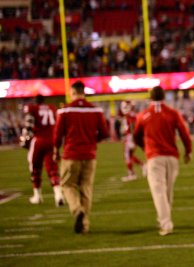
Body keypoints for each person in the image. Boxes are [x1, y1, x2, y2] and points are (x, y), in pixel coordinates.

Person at [134, 86, 192, 236]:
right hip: (172, 157)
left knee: (159, 191)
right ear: (164, 97)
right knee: (167, 192)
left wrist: (144, 147)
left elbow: (136, 136)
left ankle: (166, 224)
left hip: (155, 157)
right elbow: (184, 133)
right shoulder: (173, 113)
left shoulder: (143, 114)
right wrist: (188, 151)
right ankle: (164, 219)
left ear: (150, 97)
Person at [53, 81, 110, 234]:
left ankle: (77, 211)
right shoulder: (95, 110)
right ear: (84, 92)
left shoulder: (65, 110)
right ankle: (84, 224)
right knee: (86, 188)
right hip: (90, 155)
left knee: (67, 185)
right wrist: (91, 141)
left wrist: (55, 150)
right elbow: (104, 133)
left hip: (71, 154)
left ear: (73, 92)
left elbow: (58, 135)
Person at [22, 94, 64, 206]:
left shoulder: (33, 108)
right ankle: (58, 195)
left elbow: (29, 124)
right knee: (53, 169)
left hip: (39, 140)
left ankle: (37, 196)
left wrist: (25, 140)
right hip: (52, 140)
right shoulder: (52, 108)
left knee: (35, 168)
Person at [119, 100, 146, 182]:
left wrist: (133, 138)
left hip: (130, 136)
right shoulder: (133, 114)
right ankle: (143, 165)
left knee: (127, 155)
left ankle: (131, 174)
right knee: (130, 155)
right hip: (132, 136)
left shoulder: (129, 115)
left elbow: (132, 125)